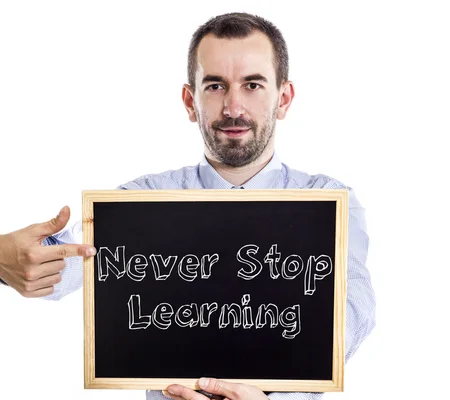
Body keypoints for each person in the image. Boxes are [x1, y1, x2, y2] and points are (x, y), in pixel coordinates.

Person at [0, 12, 376, 400]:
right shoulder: (141, 203)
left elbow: (355, 305)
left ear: (283, 99)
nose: (233, 107)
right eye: (215, 86)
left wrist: (275, 395)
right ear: (189, 101)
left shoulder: (331, 202)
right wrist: (4, 258)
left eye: (252, 85)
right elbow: (71, 259)